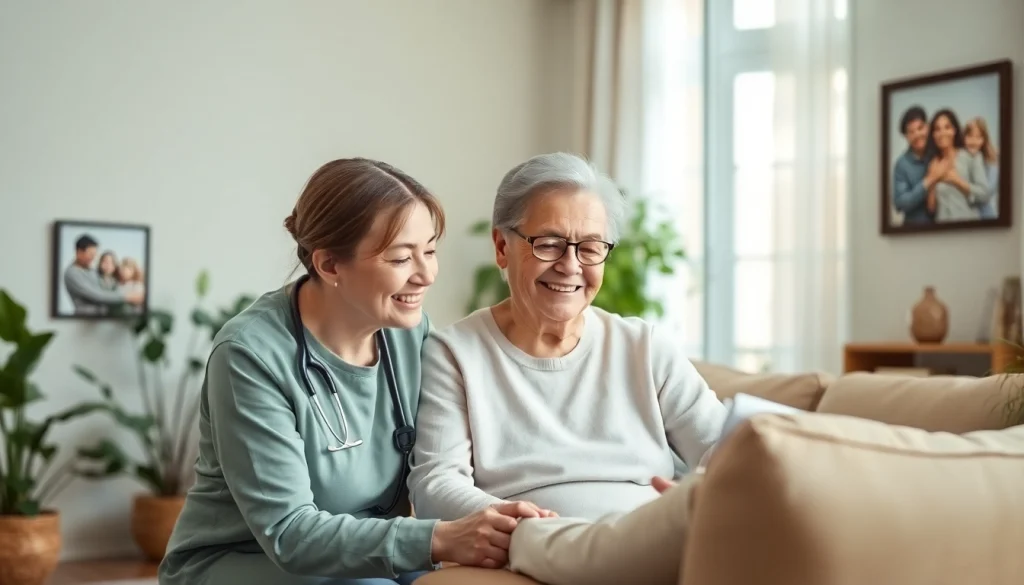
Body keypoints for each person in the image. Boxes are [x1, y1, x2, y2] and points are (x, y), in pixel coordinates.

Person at [158, 158, 552, 585]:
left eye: (430, 251)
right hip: (244, 559)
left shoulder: (409, 330)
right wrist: (439, 539)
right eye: (402, 257)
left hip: (374, 555)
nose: (426, 275)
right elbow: (289, 533)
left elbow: (453, 455)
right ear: (329, 266)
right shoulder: (250, 355)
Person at [406, 152, 728, 526]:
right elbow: (435, 482)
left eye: (590, 247)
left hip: (647, 535)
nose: (571, 265)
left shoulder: (645, 346)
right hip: (529, 539)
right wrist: (509, 517)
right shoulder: (455, 353)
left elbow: (726, 451)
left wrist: (697, 497)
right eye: (549, 243)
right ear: (501, 247)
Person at [923, 109, 991, 222]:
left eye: (947, 127)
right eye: (937, 129)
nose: (942, 133)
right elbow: (931, 209)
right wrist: (933, 180)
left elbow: (984, 195)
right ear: (933, 135)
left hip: (969, 230)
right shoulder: (933, 164)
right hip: (943, 231)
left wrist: (957, 181)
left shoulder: (972, 157)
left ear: (954, 130)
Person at [63, 234, 144, 315]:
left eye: (95, 255)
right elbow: (97, 295)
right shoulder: (72, 273)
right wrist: (128, 297)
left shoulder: (92, 271)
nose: (93, 258)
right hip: (85, 320)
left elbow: (108, 287)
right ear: (79, 252)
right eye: (91, 254)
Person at [891, 105, 945, 225]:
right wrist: (928, 181)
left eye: (920, 128)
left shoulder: (940, 153)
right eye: (911, 132)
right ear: (906, 136)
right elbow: (900, 203)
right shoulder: (902, 164)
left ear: (927, 127)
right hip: (915, 232)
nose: (917, 135)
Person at [963, 116, 1000, 219]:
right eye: (969, 136)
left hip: (985, 216)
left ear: (984, 139)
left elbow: (987, 193)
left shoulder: (991, 163)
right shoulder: (961, 161)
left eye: (978, 137)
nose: (973, 141)